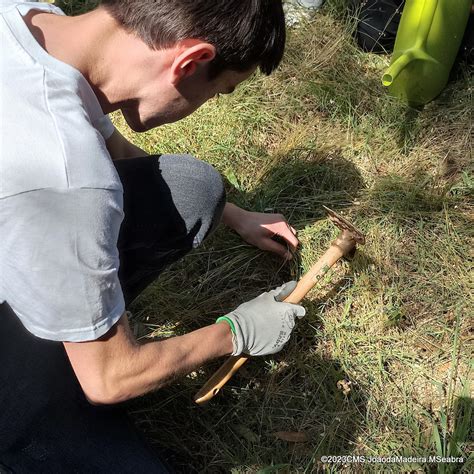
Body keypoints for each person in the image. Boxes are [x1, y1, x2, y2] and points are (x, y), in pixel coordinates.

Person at [0, 0, 306, 471]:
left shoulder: (31, 19)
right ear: (190, 61)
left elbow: (109, 143)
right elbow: (110, 379)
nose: (206, 106)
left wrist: (234, 213)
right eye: (220, 91)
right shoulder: (66, 180)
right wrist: (234, 333)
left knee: (194, 188)